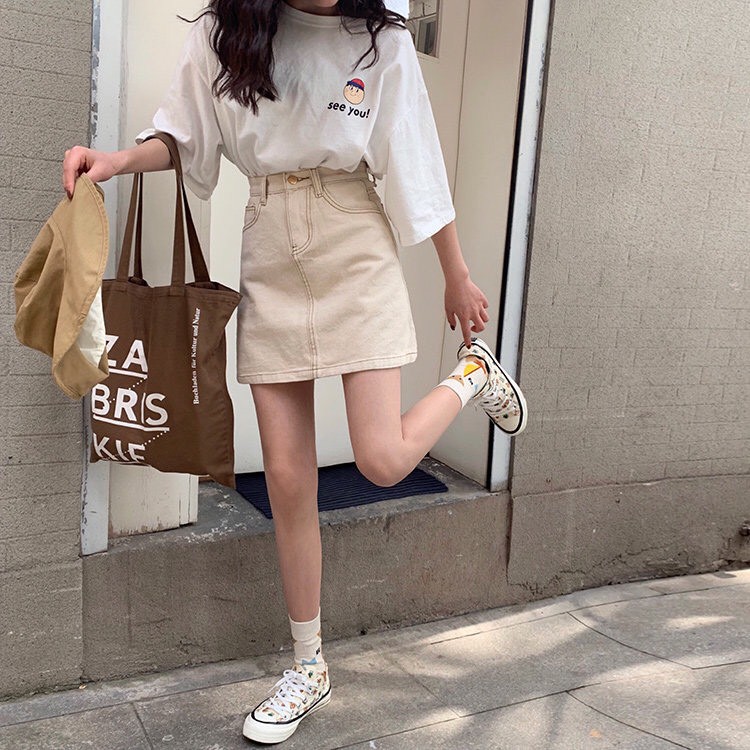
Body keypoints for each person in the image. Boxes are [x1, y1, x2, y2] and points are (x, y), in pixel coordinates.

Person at [62, 0, 528, 743]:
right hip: (270, 243)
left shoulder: (380, 41)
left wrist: (456, 274)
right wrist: (118, 161)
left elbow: (416, 159)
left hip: (355, 240)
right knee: (285, 478)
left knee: (380, 460)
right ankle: (308, 664)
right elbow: (184, 134)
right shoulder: (225, 33)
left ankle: (473, 375)